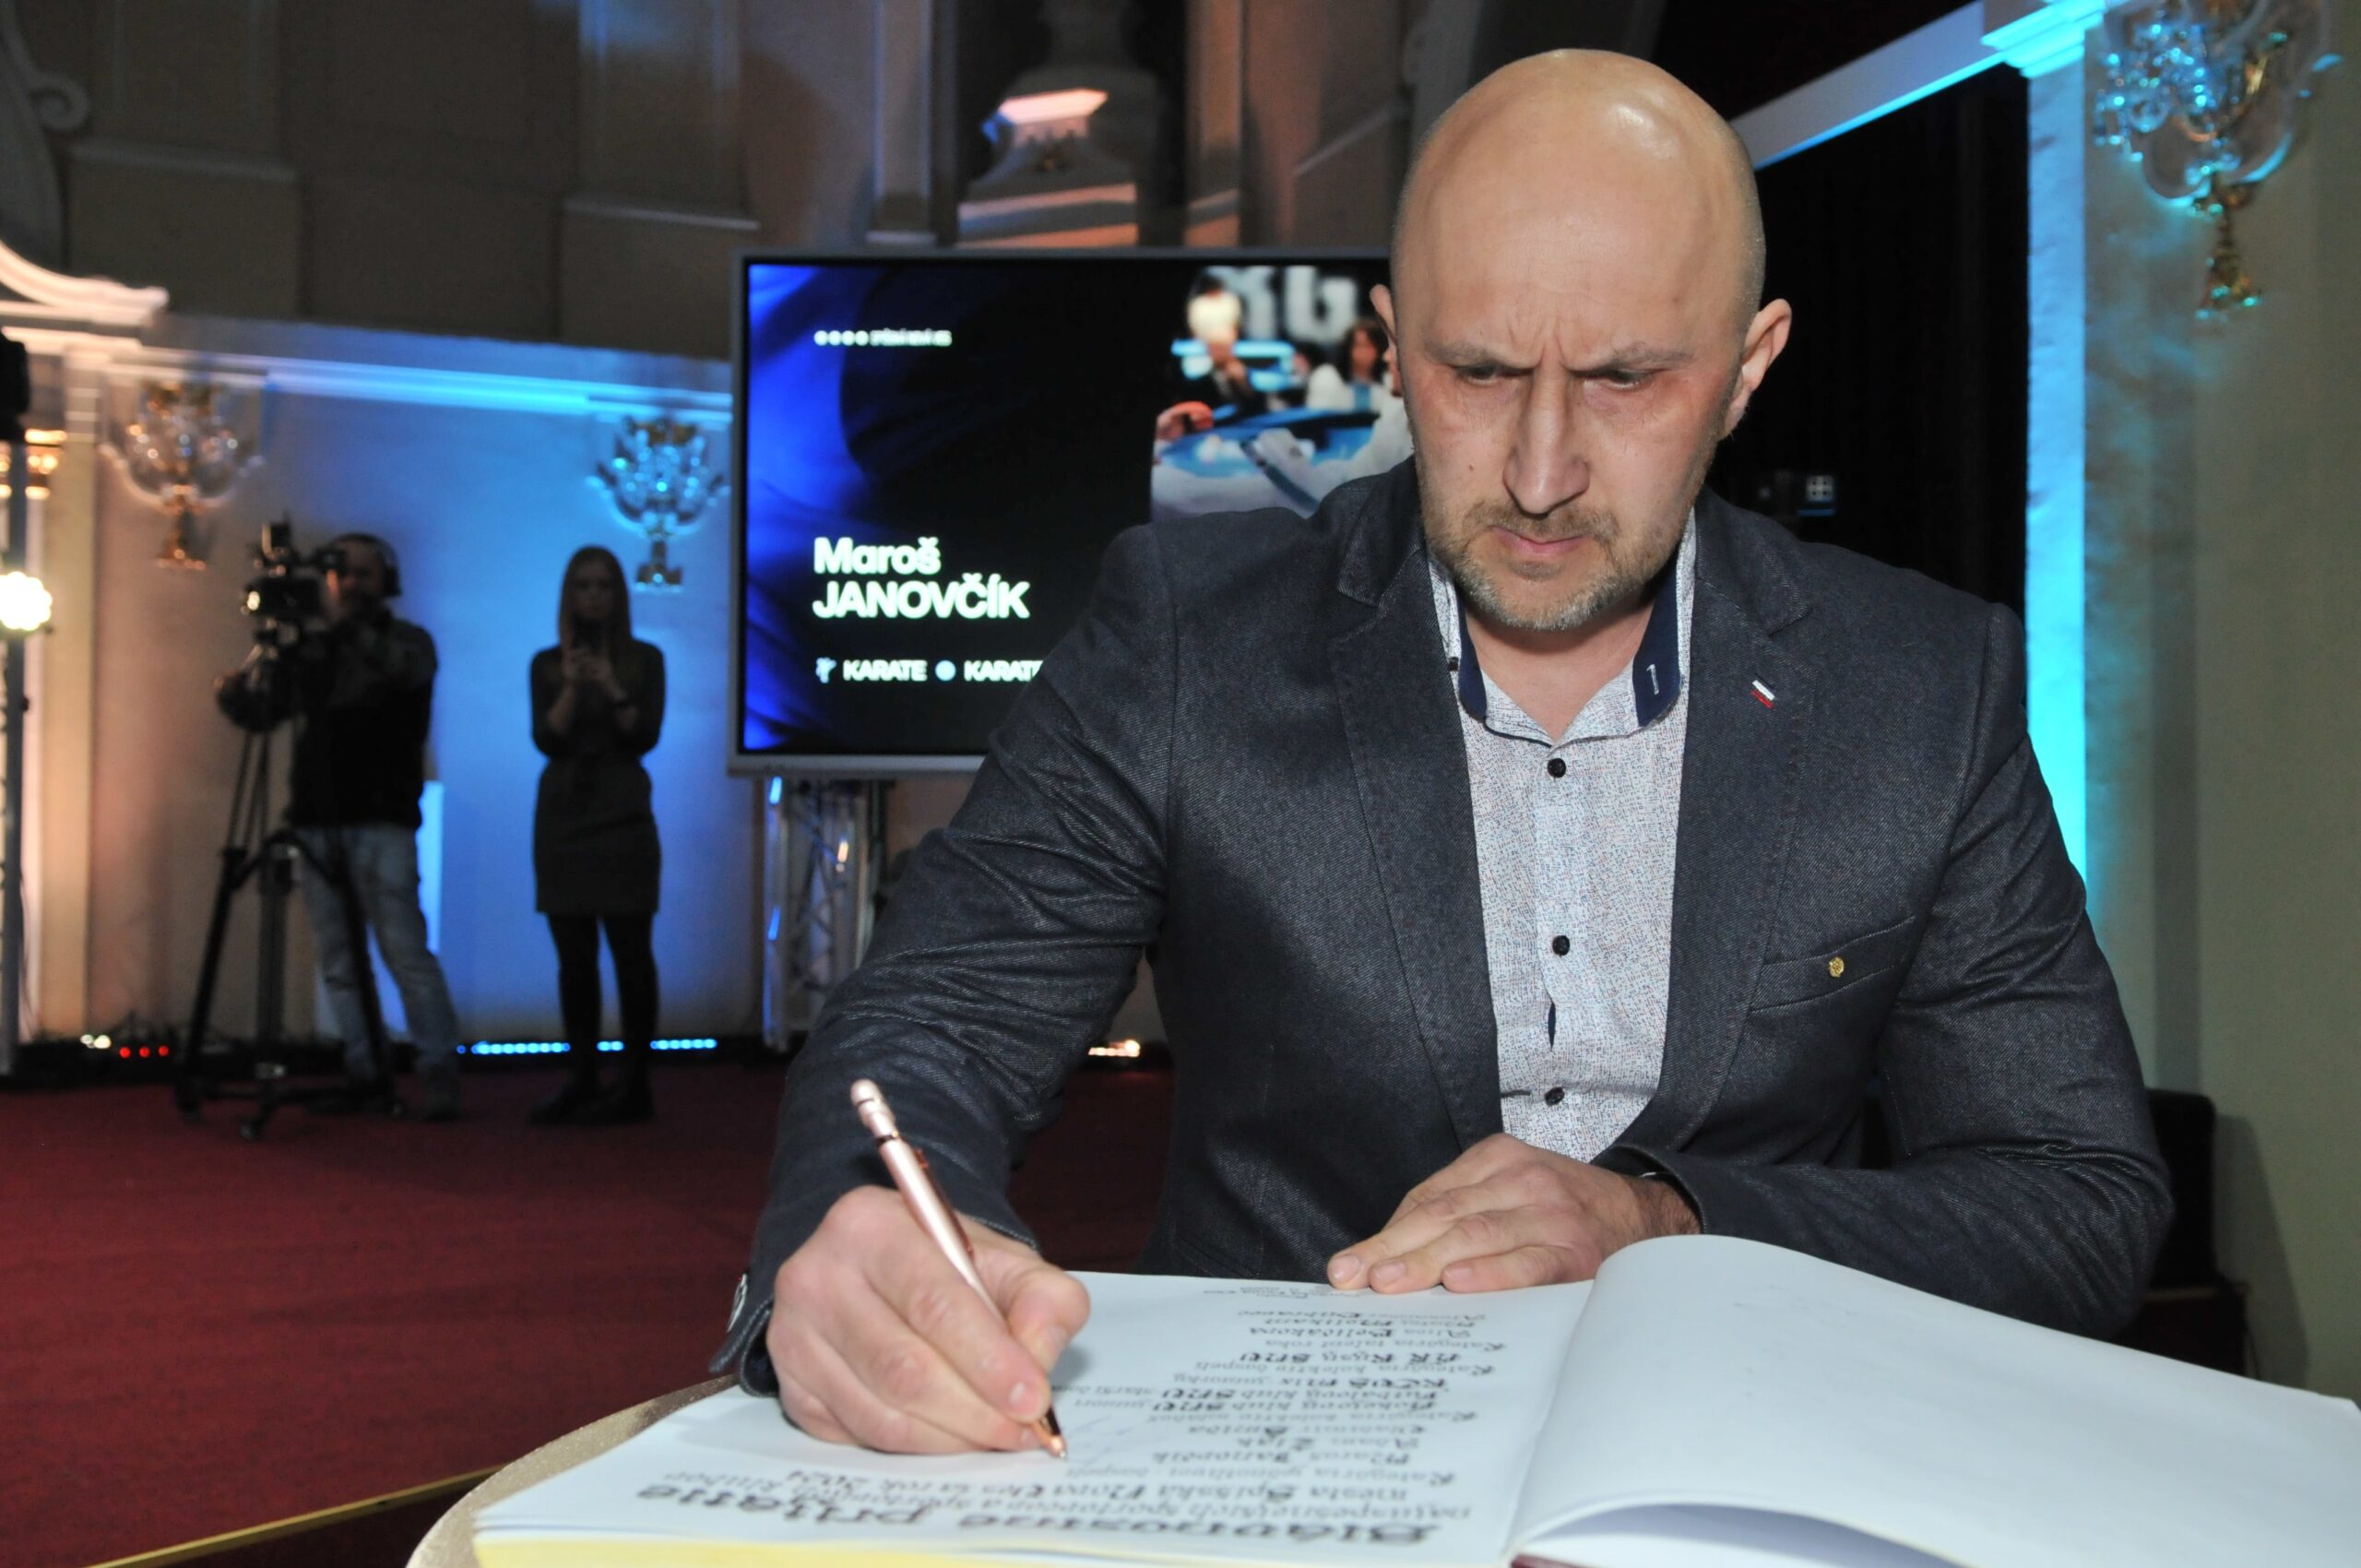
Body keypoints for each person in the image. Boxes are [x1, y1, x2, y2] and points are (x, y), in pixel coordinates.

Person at [722, 51, 2171, 1455]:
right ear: (1394, 345)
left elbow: (2076, 1198)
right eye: (1477, 371)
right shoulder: (1184, 640)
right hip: (1285, 1480)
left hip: (1748, 1469)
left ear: (1748, 369)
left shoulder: (1925, 688)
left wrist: (1668, 1225)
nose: (1540, 475)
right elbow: (935, 1024)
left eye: (1626, 380)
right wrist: (871, 1246)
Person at [219, 532, 466, 1121]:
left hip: (383, 820)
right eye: (342, 574)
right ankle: (364, 1072)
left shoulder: (409, 643)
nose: (352, 584)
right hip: (318, 820)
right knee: (339, 960)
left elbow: (398, 672)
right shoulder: (314, 651)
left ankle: (437, 1071)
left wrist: (340, 631)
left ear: (386, 581)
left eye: (363, 573)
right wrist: (235, 696)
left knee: (405, 953)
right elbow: (268, 713)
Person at [528, 546, 667, 1125]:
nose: (593, 597)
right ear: (569, 595)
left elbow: (645, 735)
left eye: (603, 586)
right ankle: (581, 1077)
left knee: (632, 954)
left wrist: (610, 685)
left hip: (623, 814)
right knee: (574, 959)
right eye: (582, 586)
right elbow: (546, 738)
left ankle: (635, 1083)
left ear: (618, 594)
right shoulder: (545, 664)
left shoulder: (645, 659)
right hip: (564, 817)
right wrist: (569, 686)